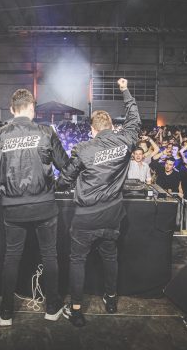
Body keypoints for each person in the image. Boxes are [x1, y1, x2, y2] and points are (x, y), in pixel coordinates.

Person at [0, 88, 69, 327]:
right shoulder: (46, 132)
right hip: (44, 204)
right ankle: (52, 308)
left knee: (12, 257)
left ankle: (6, 312)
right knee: (49, 255)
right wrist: (57, 184)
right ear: (32, 108)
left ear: (11, 109)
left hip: (13, 207)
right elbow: (66, 165)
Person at [57, 78, 140, 327]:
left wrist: (61, 182)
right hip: (113, 214)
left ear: (92, 130)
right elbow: (134, 119)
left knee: (77, 260)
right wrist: (125, 90)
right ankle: (111, 300)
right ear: (112, 127)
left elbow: (65, 178)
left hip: (86, 216)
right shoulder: (125, 141)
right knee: (110, 257)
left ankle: (76, 310)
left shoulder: (84, 149)